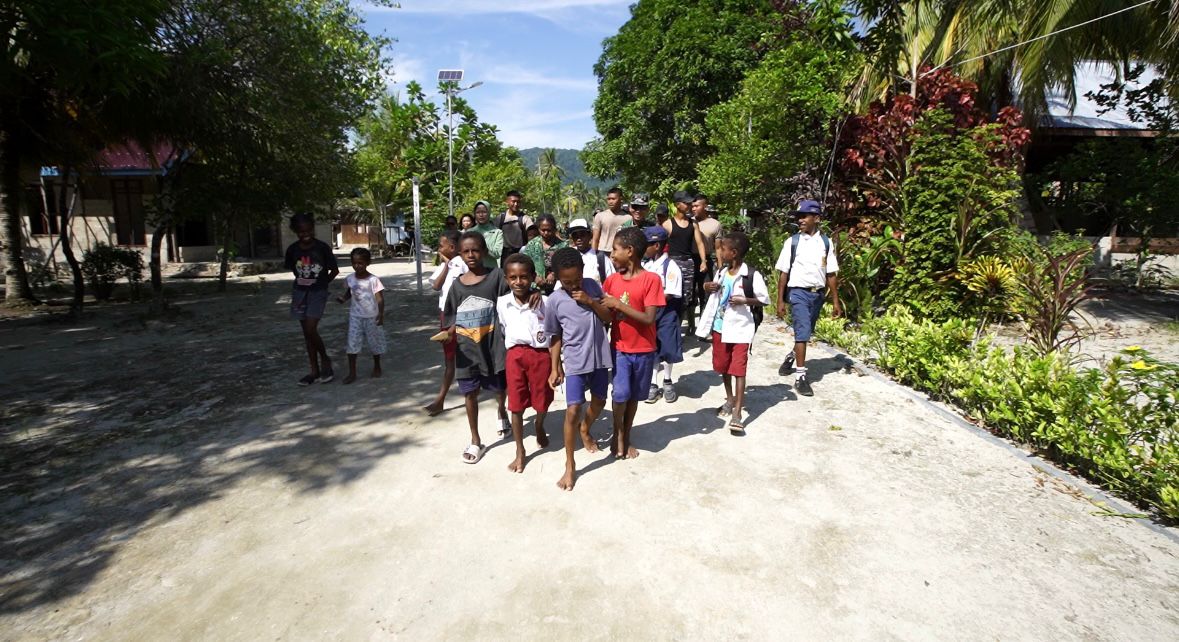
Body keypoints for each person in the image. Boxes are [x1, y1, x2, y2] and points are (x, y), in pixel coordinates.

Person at [545, 247, 613, 490]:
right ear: (557, 278)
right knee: (573, 409)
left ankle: (586, 429)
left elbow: (608, 318)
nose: (573, 285)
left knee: (599, 402)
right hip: (574, 361)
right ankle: (570, 464)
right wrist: (555, 367)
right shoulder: (554, 301)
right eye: (567, 282)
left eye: (576, 280)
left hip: (599, 359)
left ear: (583, 272)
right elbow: (554, 337)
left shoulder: (593, 287)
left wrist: (590, 301)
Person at [443, 232, 511, 464]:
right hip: (467, 351)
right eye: (466, 251)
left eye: (475, 250)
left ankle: (501, 411)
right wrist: (448, 332)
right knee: (469, 393)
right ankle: (475, 439)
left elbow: (511, 302)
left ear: (484, 251)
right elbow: (451, 316)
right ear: (459, 254)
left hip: (493, 348)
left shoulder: (497, 277)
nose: (471, 255)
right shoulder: (456, 286)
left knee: (499, 389)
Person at [697, 231, 769, 433]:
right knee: (723, 366)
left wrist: (745, 300)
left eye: (723, 249)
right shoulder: (722, 272)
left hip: (740, 329)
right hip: (720, 328)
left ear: (734, 252)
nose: (720, 251)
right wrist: (707, 286)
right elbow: (713, 293)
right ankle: (729, 398)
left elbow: (764, 299)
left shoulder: (751, 275)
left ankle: (737, 413)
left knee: (738, 369)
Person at [602, 227, 665, 459]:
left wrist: (618, 305)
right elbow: (606, 315)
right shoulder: (610, 281)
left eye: (615, 250)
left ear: (629, 251)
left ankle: (626, 435)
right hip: (620, 348)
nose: (611, 255)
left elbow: (649, 318)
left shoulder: (651, 280)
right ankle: (618, 434)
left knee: (634, 397)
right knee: (620, 395)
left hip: (644, 350)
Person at [774, 199, 842, 397]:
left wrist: (835, 300)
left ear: (817, 218)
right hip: (798, 293)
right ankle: (801, 377)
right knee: (802, 331)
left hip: (817, 294)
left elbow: (831, 273)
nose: (800, 220)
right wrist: (780, 300)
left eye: (804, 216)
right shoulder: (793, 242)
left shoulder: (826, 243)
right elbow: (783, 273)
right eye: (798, 217)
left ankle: (792, 356)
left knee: (807, 332)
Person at [498, 254, 554, 473]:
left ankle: (539, 425)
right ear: (506, 279)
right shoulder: (502, 303)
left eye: (523, 277)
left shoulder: (545, 302)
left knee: (541, 399)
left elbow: (553, 330)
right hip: (515, 355)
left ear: (533, 277)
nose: (518, 282)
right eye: (513, 277)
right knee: (516, 403)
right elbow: (503, 328)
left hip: (540, 356)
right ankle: (519, 450)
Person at [284, 212, 339, 386]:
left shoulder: (322, 247)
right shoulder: (292, 250)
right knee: (307, 334)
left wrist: (322, 285)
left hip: (318, 293)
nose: (305, 234)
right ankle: (314, 371)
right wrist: (305, 283)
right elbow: (294, 270)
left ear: (313, 229)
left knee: (310, 328)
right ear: (295, 231)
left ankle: (325, 360)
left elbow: (334, 270)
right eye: (301, 231)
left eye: (308, 230)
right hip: (300, 293)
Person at [425, 229, 467, 416]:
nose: (438, 248)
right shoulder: (449, 265)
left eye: (441, 245)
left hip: (458, 315)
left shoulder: (462, 264)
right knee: (450, 358)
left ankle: (441, 399)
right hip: (445, 314)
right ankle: (441, 398)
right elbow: (436, 286)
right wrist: (445, 265)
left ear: (452, 247)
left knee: (455, 357)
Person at [640, 226, 683, 404]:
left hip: (666, 313)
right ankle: (652, 383)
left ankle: (667, 380)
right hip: (650, 314)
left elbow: (670, 292)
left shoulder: (670, 267)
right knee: (652, 348)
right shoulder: (646, 265)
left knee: (667, 348)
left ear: (656, 245)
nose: (645, 248)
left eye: (647, 245)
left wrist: (650, 299)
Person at [335, 247, 386, 384]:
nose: (357, 266)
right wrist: (343, 299)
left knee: (374, 343)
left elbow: (380, 298)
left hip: (371, 317)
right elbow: (349, 293)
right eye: (354, 263)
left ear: (367, 263)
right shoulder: (350, 278)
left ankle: (377, 365)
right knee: (352, 344)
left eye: (360, 263)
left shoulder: (373, 280)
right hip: (355, 317)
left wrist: (380, 314)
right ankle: (352, 373)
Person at [663, 191, 708, 334]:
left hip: (688, 263)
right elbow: (661, 246)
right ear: (677, 205)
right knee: (671, 295)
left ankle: (678, 328)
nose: (689, 206)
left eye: (690, 203)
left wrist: (703, 261)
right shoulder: (668, 224)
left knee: (686, 298)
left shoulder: (693, 224)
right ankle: (671, 328)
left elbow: (700, 243)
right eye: (686, 203)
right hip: (672, 263)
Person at [691, 194, 723, 327]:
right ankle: (691, 323)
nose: (693, 208)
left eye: (696, 206)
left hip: (707, 261)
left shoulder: (715, 224)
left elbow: (719, 248)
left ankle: (704, 325)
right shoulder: (689, 222)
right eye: (692, 206)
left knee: (706, 293)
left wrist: (721, 268)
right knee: (690, 293)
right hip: (690, 259)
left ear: (705, 206)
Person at [521, 213, 567, 290]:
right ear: (538, 229)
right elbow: (524, 265)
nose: (546, 233)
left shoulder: (563, 246)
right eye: (543, 230)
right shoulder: (532, 245)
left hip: (557, 288)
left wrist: (554, 274)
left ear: (554, 229)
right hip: (535, 288)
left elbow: (566, 265)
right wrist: (534, 277)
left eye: (549, 230)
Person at [564, 218, 613, 285]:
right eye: (575, 235)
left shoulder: (601, 258)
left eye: (582, 235)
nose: (579, 239)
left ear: (590, 235)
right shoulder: (568, 257)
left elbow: (611, 283)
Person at [497, 190, 533, 265]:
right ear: (507, 201)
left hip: (521, 253)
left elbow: (532, 235)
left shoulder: (525, 218)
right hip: (505, 254)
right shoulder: (500, 218)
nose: (516, 204)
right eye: (513, 201)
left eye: (518, 202)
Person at [591, 186, 629, 252]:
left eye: (613, 199)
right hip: (602, 252)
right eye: (609, 199)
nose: (610, 201)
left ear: (621, 199)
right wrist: (593, 255)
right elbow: (595, 239)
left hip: (620, 253)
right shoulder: (600, 216)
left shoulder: (628, 218)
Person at [469, 200, 504, 269]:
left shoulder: (497, 232)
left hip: (490, 271)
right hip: (473, 271)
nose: (481, 215)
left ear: (489, 213)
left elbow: (497, 254)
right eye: (478, 212)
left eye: (484, 212)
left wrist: (483, 245)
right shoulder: (470, 232)